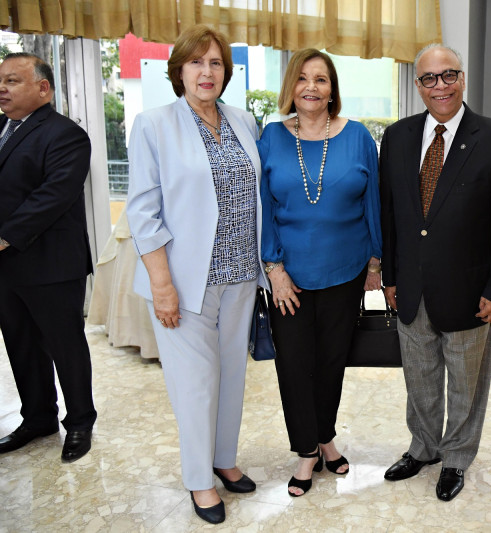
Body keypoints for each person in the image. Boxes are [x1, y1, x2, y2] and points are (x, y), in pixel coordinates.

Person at [126, 25, 264, 524]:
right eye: (196, 63)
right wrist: (161, 284)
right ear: (178, 71)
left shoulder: (244, 121)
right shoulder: (154, 124)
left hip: (241, 276)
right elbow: (143, 212)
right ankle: (198, 480)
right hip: (183, 282)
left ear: (226, 73)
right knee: (195, 384)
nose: (207, 73)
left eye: (216, 64)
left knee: (231, 377)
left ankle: (223, 459)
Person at [380, 43, 491, 502]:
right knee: (419, 375)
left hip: (471, 291)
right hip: (411, 286)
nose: (439, 86)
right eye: (429, 78)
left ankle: (458, 456)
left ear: (463, 78)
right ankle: (423, 447)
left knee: (466, 382)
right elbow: (391, 213)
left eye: (449, 76)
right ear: (417, 84)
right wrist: (389, 277)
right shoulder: (398, 137)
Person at [258, 48, 382, 498]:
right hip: (288, 275)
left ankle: (325, 437)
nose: (312, 87)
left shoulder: (359, 137)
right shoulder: (271, 137)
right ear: (291, 87)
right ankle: (307, 450)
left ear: (333, 89)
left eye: (322, 79)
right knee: (294, 365)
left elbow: (373, 204)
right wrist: (273, 268)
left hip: (346, 271)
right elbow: (264, 209)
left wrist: (374, 263)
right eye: (303, 79)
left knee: (332, 362)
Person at [0, 53, 96, 463]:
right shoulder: (2, 129)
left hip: (52, 265)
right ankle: (38, 417)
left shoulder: (66, 134)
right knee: (20, 344)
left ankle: (79, 423)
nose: (2, 88)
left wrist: (3, 238)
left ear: (43, 87)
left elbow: (53, 196)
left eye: (12, 80)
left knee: (65, 345)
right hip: (7, 268)